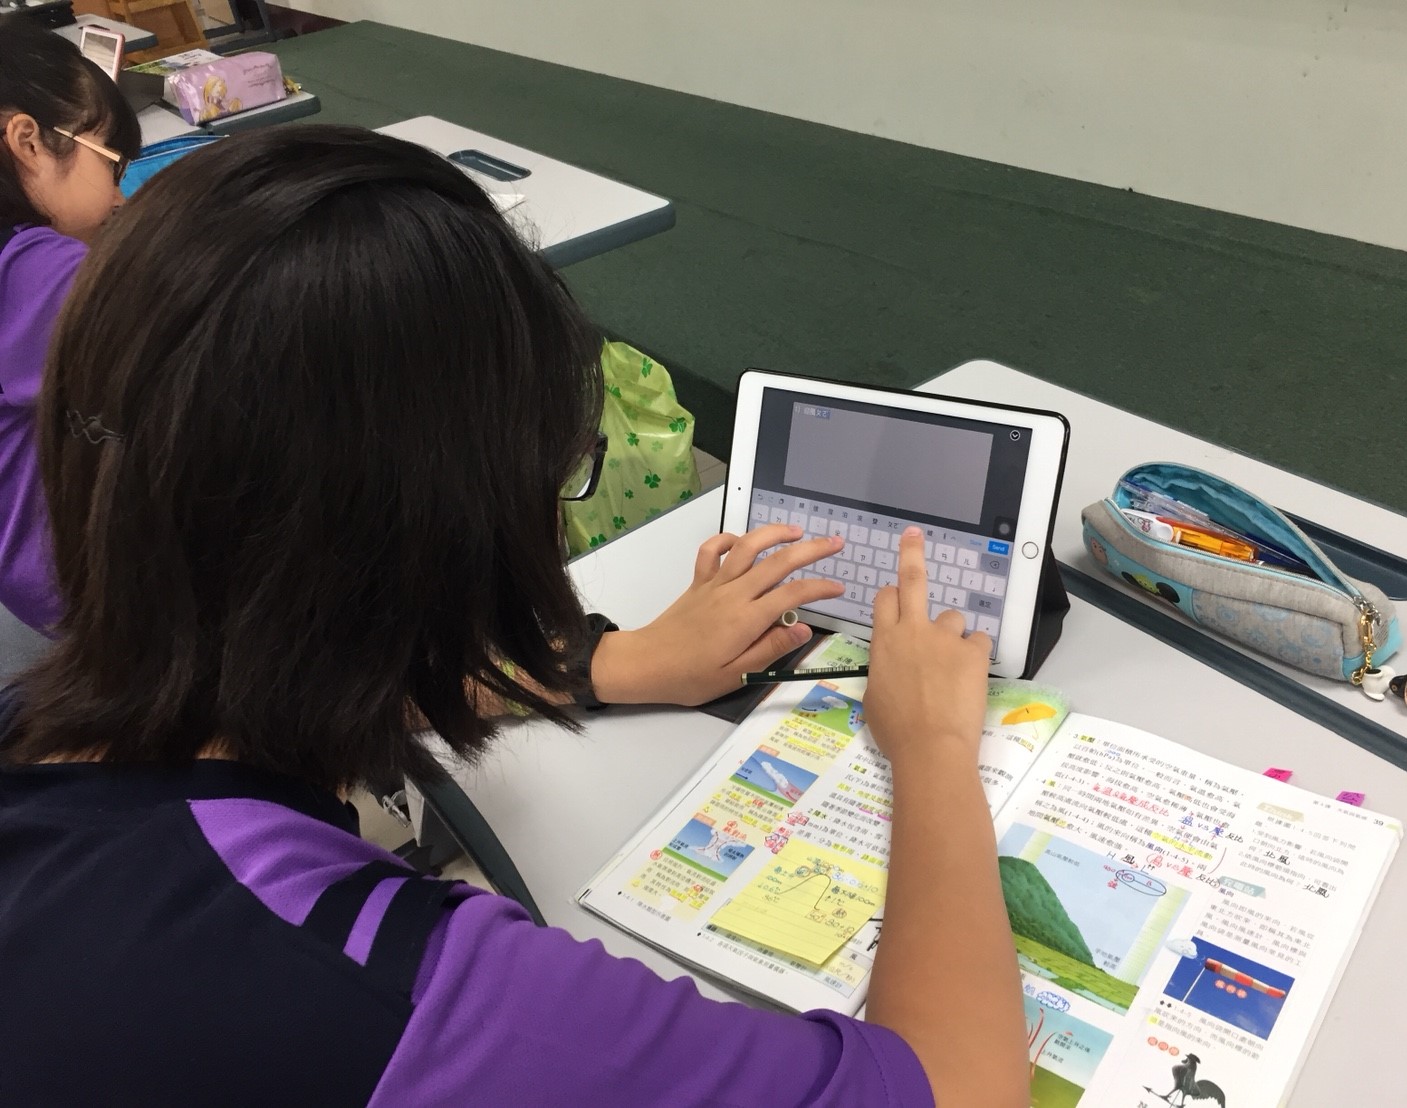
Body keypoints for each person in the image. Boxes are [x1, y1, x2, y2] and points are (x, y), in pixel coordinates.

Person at [0, 126, 1028, 1106]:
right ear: (445, 532)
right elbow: (957, 1089)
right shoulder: (391, 984)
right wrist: (934, 746)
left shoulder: (50, 738)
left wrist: (616, 662)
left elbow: (298, 671)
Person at [0, 15, 141, 634]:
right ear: (28, 141)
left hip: (23, 568)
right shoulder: (44, 273)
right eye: (113, 163)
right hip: (80, 582)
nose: (120, 196)